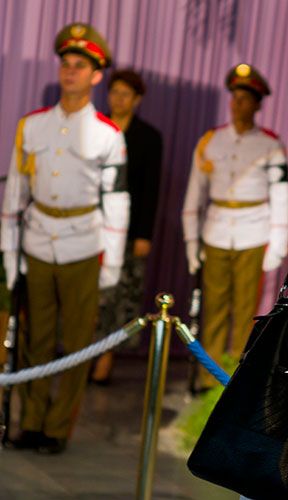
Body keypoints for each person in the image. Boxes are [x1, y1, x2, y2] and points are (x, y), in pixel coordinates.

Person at [0, 23, 129, 454]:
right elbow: (15, 193)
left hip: (82, 245)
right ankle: (31, 423)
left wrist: (110, 264)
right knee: (34, 340)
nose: (70, 72)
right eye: (66, 64)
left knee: (74, 345)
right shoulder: (32, 127)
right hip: (36, 242)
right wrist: (9, 251)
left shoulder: (109, 134)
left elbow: (117, 203)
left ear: (96, 76)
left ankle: (57, 429)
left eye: (80, 66)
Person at [182, 63, 288, 391]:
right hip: (215, 231)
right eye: (235, 97)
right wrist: (191, 240)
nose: (239, 104)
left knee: (245, 313)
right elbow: (194, 193)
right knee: (212, 310)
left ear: (258, 104)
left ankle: (233, 380)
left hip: (252, 233)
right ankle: (206, 378)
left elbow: (280, 196)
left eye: (247, 98)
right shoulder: (211, 141)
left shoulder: (270, 145)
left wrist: (277, 243)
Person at [90, 69, 163, 384]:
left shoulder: (148, 137)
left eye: (125, 94)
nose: (118, 99)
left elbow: (150, 190)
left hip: (130, 232)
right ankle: (83, 355)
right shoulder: (94, 128)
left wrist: (144, 234)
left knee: (121, 297)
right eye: (114, 92)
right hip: (90, 227)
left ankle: (107, 358)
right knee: (91, 296)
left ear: (137, 99)